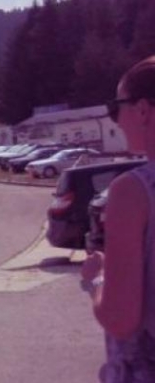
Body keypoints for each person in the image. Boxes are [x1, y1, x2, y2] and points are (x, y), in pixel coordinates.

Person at [82, 55, 155, 381]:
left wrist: (97, 278)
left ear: (142, 110)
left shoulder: (133, 192)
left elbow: (121, 319)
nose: (116, 121)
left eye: (116, 108)